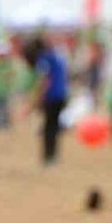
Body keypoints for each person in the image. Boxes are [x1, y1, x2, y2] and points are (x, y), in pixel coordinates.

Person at [24, 34, 69, 167]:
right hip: (61, 96)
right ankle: (52, 156)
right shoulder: (57, 56)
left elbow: (44, 80)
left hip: (52, 97)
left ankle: (48, 157)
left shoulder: (44, 59)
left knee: (49, 128)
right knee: (53, 127)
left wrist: (36, 101)